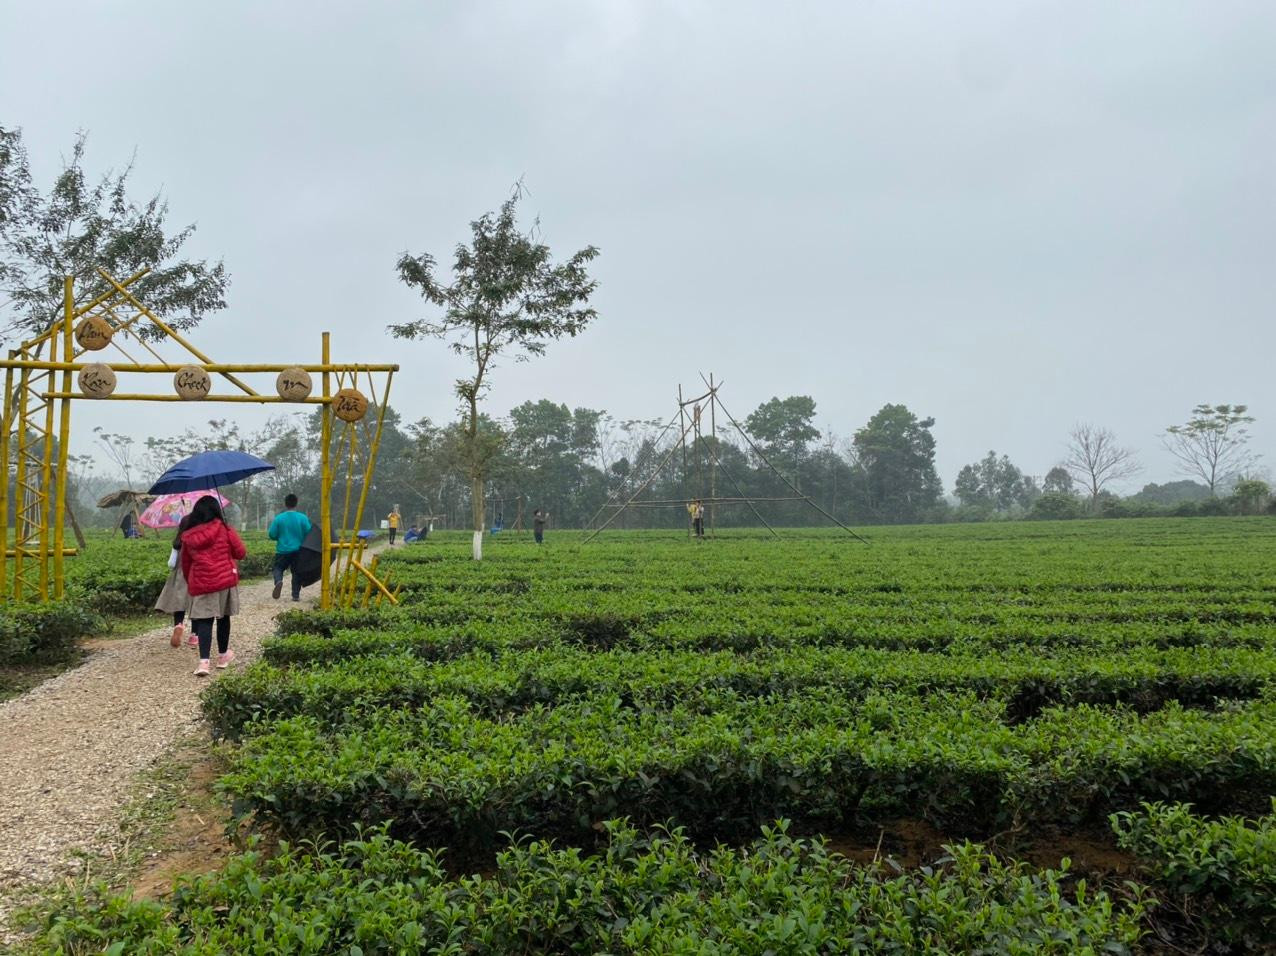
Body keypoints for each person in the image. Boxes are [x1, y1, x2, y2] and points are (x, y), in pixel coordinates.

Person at [179, 495, 246, 677]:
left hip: (202, 582)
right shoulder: (225, 529)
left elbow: (185, 564)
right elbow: (241, 553)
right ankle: (223, 657)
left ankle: (203, 663)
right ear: (217, 510)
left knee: (204, 621)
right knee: (223, 618)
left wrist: (191, 581)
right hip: (224, 581)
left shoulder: (189, 535)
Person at [154, 512, 195, 648]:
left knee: (179, 604)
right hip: (195, 575)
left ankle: (178, 625)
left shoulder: (177, 542)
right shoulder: (197, 540)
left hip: (180, 576)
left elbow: (171, 563)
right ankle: (195, 635)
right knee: (195, 605)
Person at [268, 493, 312, 601]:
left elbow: (272, 534)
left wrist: (279, 537)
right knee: (296, 572)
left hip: (282, 550)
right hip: (298, 551)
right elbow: (309, 533)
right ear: (296, 503)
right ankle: (295, 595)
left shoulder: (279, 518)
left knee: (278, 568)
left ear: (285, 504)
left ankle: (278, 581)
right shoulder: (303, 518)